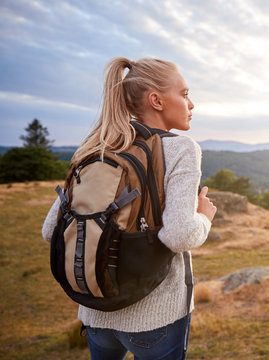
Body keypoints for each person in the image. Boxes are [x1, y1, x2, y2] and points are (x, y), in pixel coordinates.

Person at [41, 56, 217, 360]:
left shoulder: (99, 144)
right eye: (185, 94)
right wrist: (203, 216)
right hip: (155, 317)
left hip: (95, 311)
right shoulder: (182, 148)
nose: (191, 104)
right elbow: (178, 237)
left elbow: (50, 230)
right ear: (156, 100)